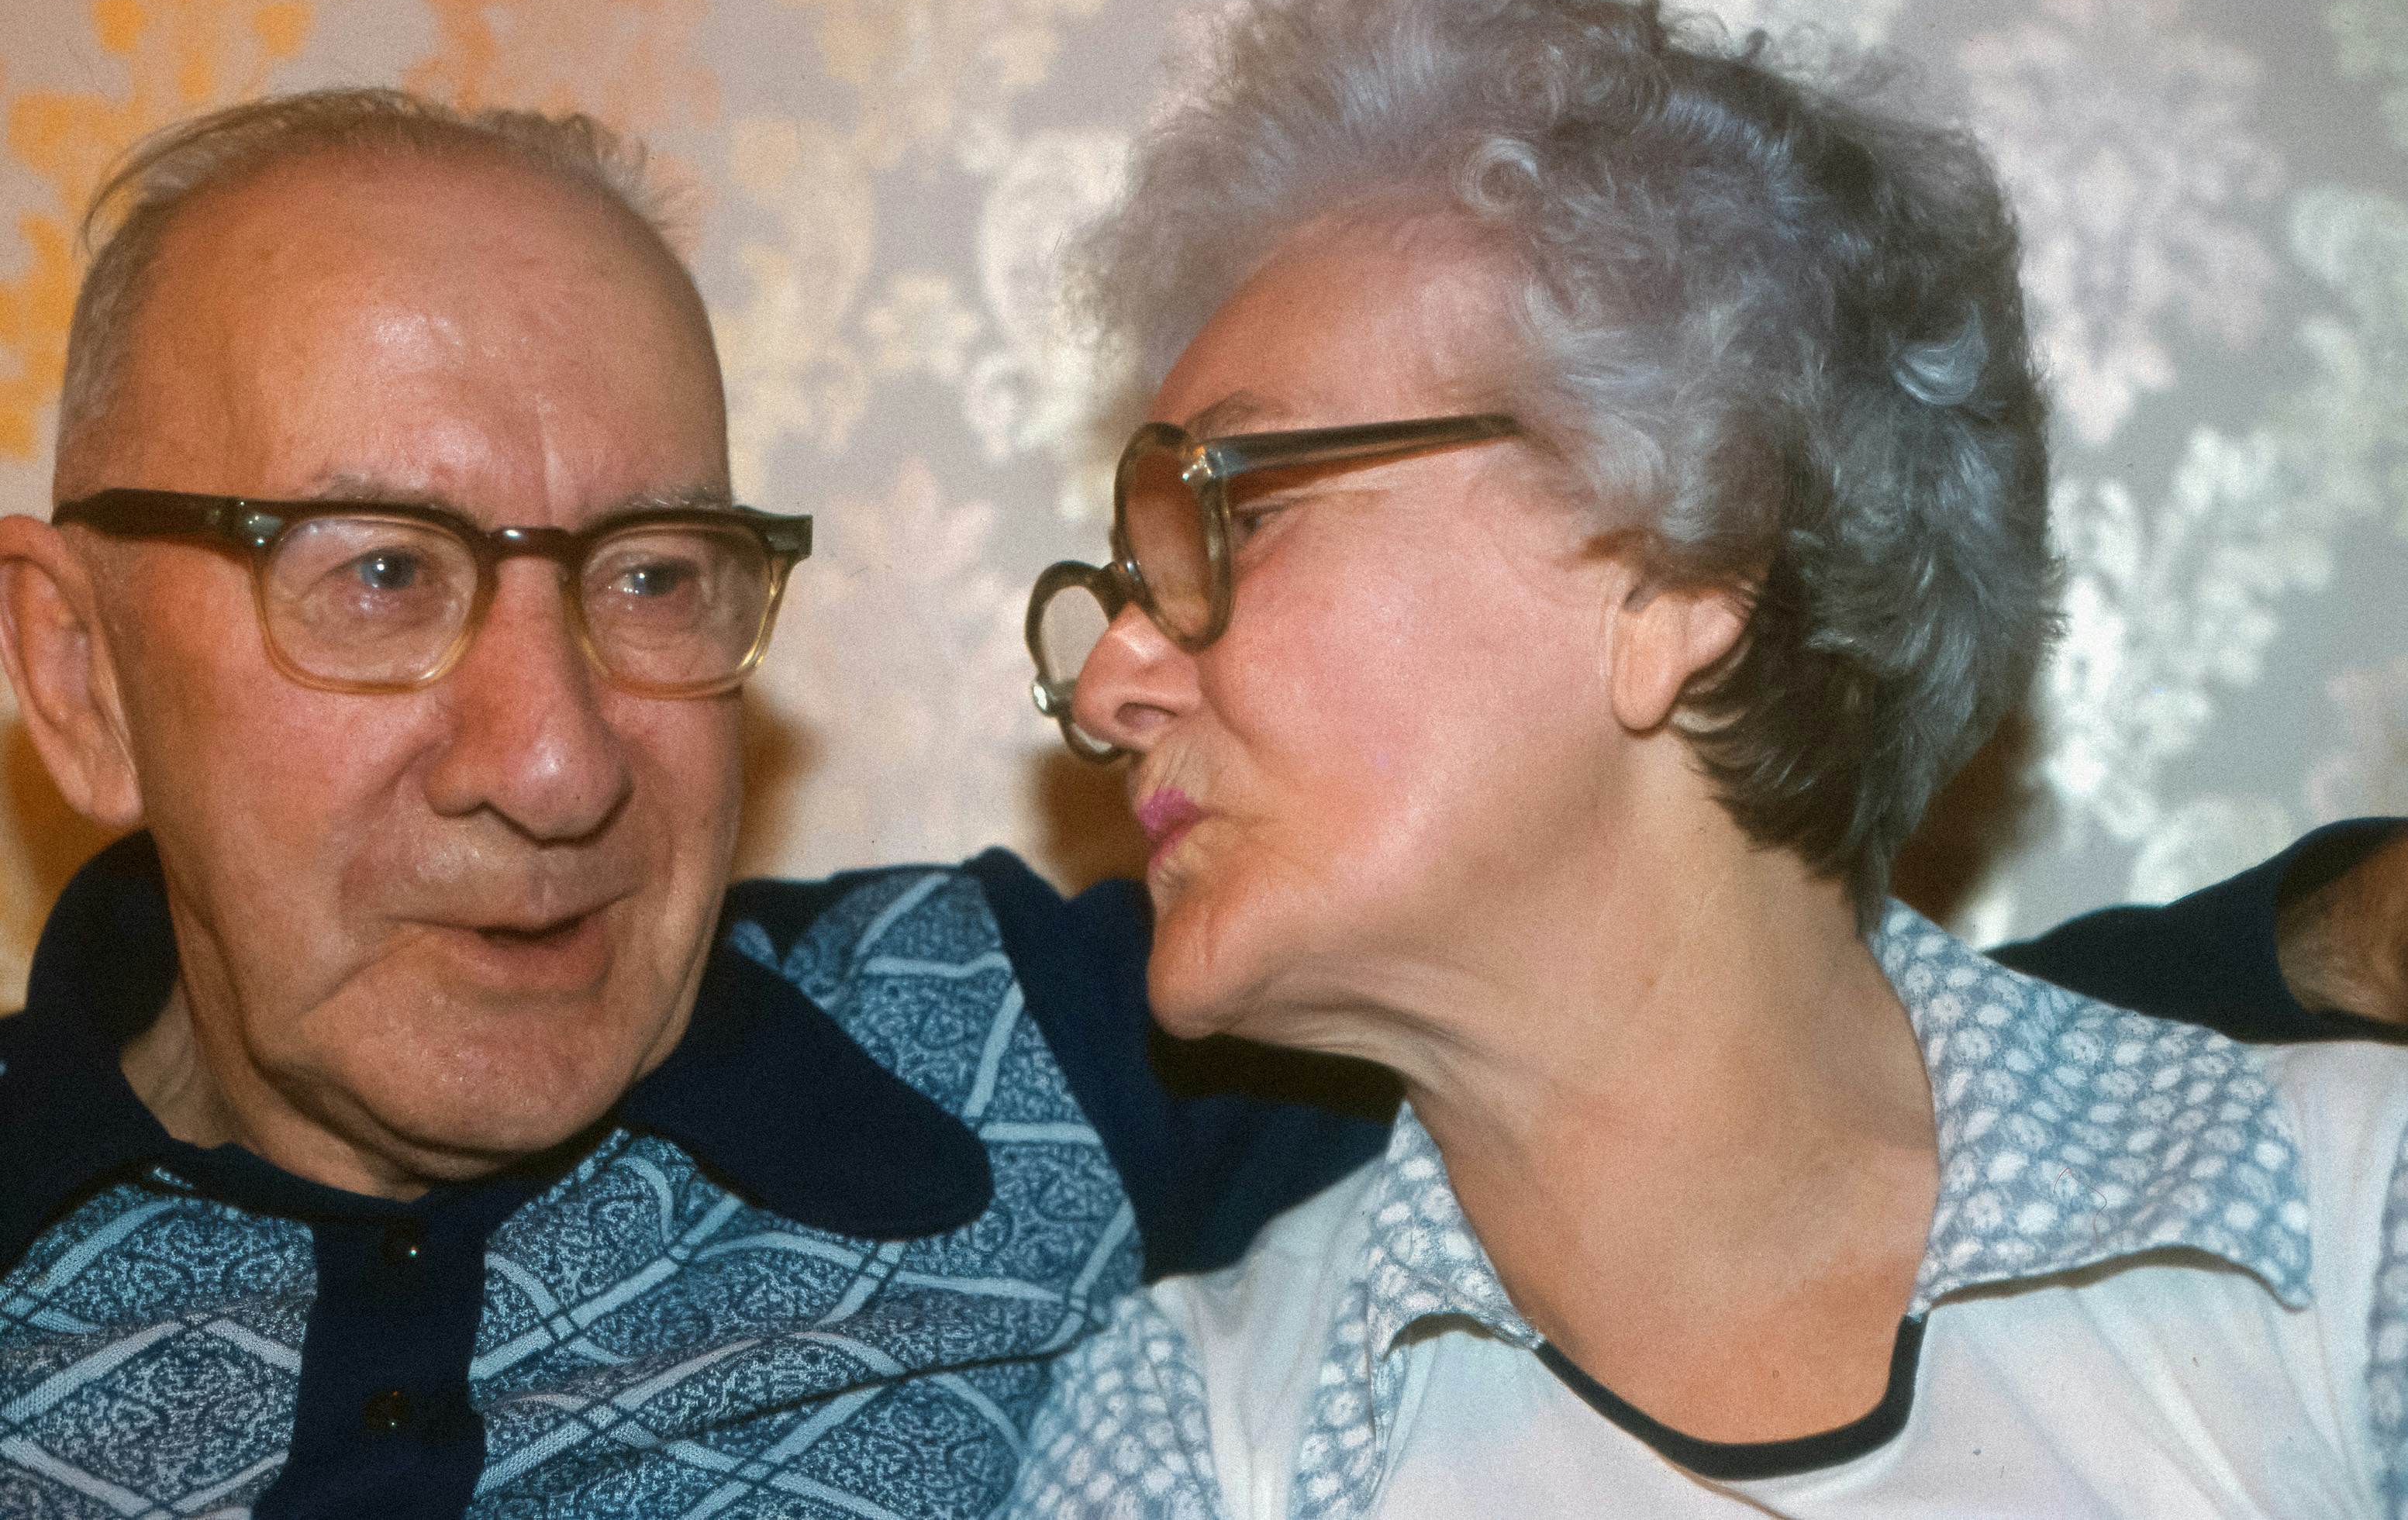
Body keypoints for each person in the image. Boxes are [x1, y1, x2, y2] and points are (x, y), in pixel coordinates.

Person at [0, 88, 2386, 1520]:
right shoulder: (1214, 1404)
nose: (551, 757)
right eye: (381, 572)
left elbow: (1689, 1043)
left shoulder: (1010, 1053)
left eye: (654, 575)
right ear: (74, 672)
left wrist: (2304, 949)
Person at [1006, 0, 2408, 1517]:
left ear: (1670, 568)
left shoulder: (2349, 1233)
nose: (1110, 680)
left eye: (1230, 516)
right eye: (1124, 580)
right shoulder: (1196, 1437)